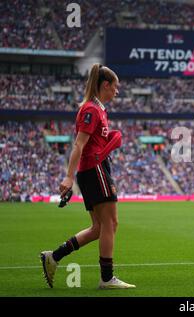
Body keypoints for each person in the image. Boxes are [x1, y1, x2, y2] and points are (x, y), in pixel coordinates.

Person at [40, 63, 135, 289]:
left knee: (99, 228)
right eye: (115, 87)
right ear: (105, 85)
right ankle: (107, 278)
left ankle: (53, 257)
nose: (117, 91)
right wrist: (68, 177)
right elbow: (79, 144)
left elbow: (91, 141)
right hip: (94, 169)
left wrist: (110, 140)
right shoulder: (92, 110)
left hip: (94, 168)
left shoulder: (98, 109)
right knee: (111, 223)